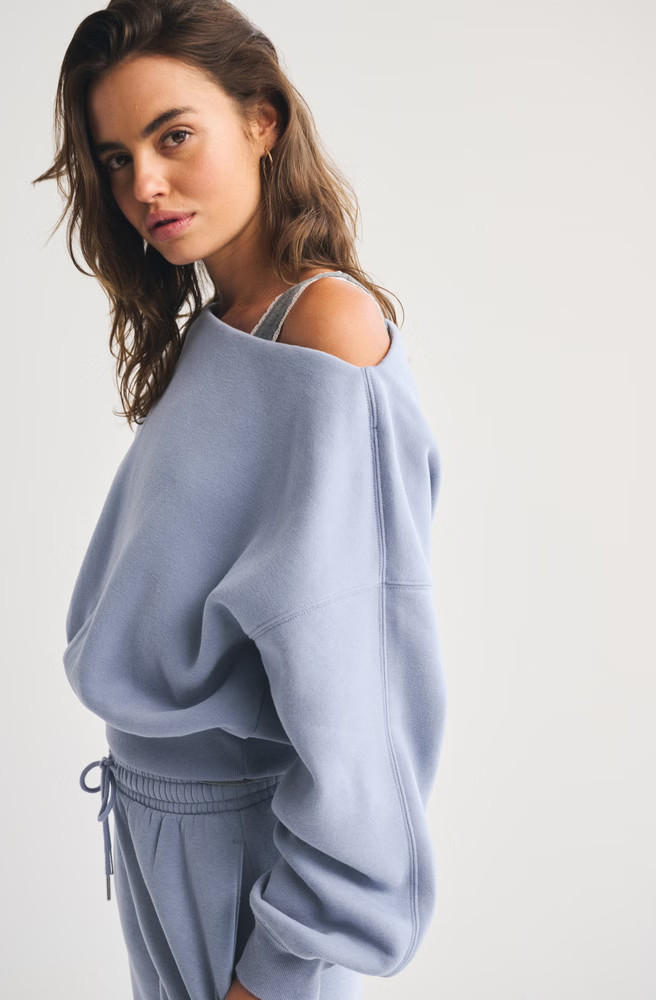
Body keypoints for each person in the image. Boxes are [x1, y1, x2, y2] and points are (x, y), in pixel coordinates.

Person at [33, 2, 447, 998]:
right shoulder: (224, 328)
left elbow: (361, 689)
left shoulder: (325, 331)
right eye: (117, 158)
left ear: (261, 120)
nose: (144, 184)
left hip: (246, 856)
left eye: (173, 136)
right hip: (165, 830)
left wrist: (286, 954)